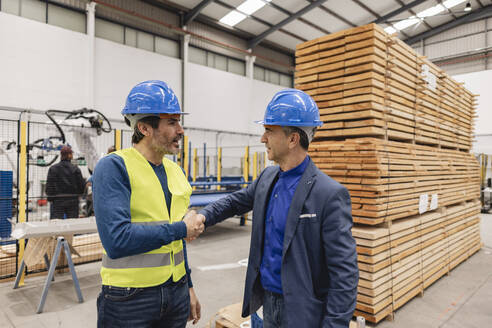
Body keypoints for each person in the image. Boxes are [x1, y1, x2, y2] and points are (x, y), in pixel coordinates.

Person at [196, 89, 359, 327]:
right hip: (265, 303)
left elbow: (344, 273)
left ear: (293, 139)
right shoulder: (267, 178)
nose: (263, 139)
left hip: (302, 311)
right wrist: (203, 215)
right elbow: (234, 202)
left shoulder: (329, 194)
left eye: (269, 131)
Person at [92, 80, 205, 328]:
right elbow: (116, 240)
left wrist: (188, 286)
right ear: (144, 128)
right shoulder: (114, 167)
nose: (181, 130)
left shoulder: (175, 171)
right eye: (172, 122)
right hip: (129, 299)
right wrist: (181, 229)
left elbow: (177, 243)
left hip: (175, 294)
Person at [46, 145, 85, 219]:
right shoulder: (75, 169)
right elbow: (81, 186)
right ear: (69, 155)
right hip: (72, 200)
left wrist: (51, 198)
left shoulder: (53, 169)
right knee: (72, 223)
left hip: (57, 200)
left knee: (56, 224)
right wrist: (79, 195)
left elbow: (49, 186)